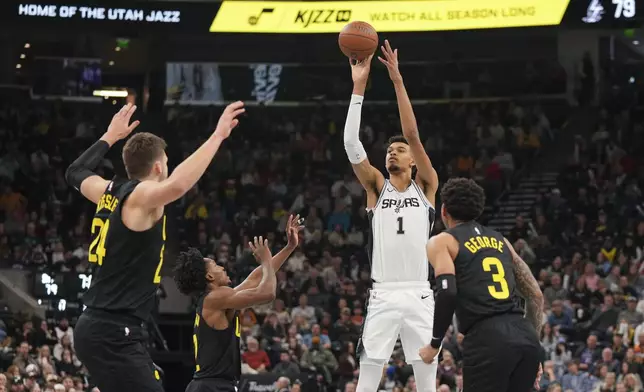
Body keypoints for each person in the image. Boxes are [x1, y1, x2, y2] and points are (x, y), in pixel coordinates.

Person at [66, 101, 245, 392]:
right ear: (159, 166)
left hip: (103, 328)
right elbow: (176, 187)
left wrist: (110, 136)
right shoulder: (142, 196)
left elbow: (75, 171)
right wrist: (217, 136)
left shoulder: (107, 190)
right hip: (112, 331)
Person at [344, 40, 439, 392]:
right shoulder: (375, 187)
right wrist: (359, 86)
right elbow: (352, 145)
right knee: (367, 379)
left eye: (399, 150)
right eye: (388, 150)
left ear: (412, 160)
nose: (392, 153)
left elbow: (413, 134)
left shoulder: (426, 185)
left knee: (427, 379)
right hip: (382, 293)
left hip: (419, 292)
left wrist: (397, 81)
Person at [418, 178, 544, 392]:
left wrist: (434, 344)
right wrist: (534, 346)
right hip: (525, 336)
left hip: (487, 339)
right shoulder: (501, 241)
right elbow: (536, 296)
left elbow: (447, 293)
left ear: (444, 210)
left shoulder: (442, 241)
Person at [174, 215, 303, 392]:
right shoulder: (215, 298)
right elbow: (267, 293)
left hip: (213, 385)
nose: (222, 267)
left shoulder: (219, 299)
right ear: (209, 277)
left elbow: (255, 279)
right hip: (211, 386)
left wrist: (289, 247)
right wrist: (265, 260)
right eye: (216, 266)